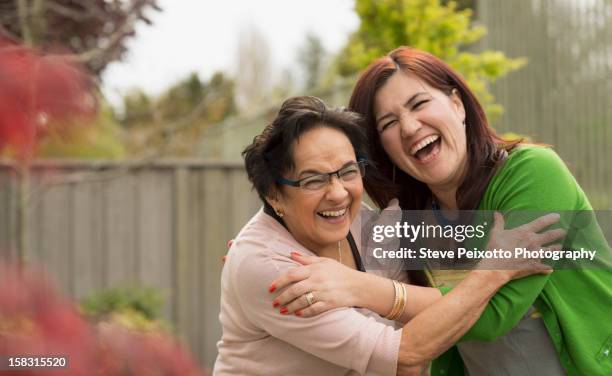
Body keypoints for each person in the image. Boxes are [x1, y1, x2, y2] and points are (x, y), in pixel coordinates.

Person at [278, 47, 612, 375]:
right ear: (383, 149)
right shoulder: (414, 216)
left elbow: (493, 317)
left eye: (420, 103)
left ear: (457, 104)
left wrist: (357, 287)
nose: (409, 127)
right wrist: (277, 236)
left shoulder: (535, 173)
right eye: (389, 123)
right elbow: (352, 244)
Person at [213, 96, 562, 376]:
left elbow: (416, 335)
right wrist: (494, 272)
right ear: (273, 194)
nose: (337, 193)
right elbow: (405, 354)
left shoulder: (365, 227)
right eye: (313, 180)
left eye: (347, 172)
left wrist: (361, 288)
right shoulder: (273, 269)